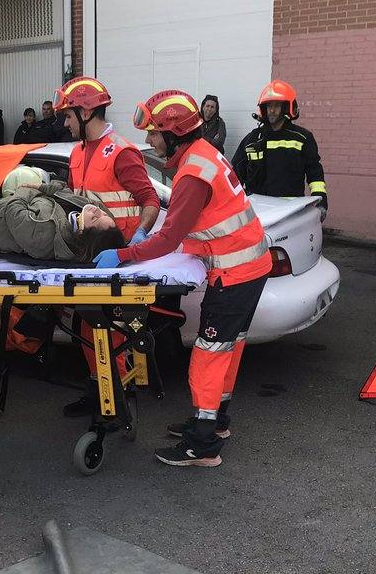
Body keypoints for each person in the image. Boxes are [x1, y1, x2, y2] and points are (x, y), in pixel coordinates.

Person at [96, 89, 272, 468]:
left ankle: (201, 447)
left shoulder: (192, 173)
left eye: (155, 134)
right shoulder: (203, 156)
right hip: (249, 269)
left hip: (235, 275)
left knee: (209, 356)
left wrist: (125, 253)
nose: (149, 141)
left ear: (174, 133)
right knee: (227, 350)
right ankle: (213, 423)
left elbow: (171, 236)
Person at [52, 76, 162, 417]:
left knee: (106, 331)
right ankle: (99, 389)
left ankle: (115, 395)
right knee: (86, 328)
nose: (65, 123)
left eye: (69, 116)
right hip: (88, 256)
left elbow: (150, 200)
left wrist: (139, 236)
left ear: (86, 113)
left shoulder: (121, 152)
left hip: (117, 257)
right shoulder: (76, 152)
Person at [232, 80, 328, 219]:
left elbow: (315, 174)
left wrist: (320, 202)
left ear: (287, 107)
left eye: (277, 106)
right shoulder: (252, 139)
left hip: (289, 210)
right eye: (269, 106)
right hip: (256, 209)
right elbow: (235, 174)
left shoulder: (302, 138)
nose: (272, 110)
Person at [0, 178, 124, 261]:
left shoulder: (45, 236)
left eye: (95, 218)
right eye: (104, 214)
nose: (97, 210)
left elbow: (13, 210)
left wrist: (27, 190)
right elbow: (63, 193)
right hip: (0, 206)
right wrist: (43, 187)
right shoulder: (85, 215)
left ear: (81, 232)